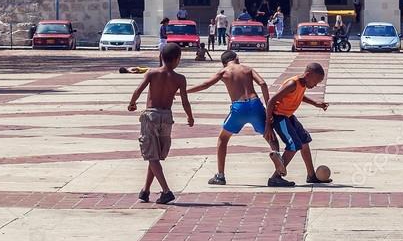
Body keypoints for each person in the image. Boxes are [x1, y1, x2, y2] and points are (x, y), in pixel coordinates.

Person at [187, 50, 285, 185]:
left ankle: (220, 176)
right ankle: (276, 171)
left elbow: (205, 85)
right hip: (255, 105)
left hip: (239, 108)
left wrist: (183, 92)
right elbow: (262, 84)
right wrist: (268, 104)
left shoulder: (224, 72)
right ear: (237, 58)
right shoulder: (248, 69)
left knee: (223, 138)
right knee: (271, 137)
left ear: (224, 64)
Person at [127, 41, 193, 205]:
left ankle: (166, 191)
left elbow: (139, 89)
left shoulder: (152, 73)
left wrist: (132, 103)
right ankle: (146, 191)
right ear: (178, 59)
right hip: (166, 117)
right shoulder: (180, 78)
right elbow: (185, 101)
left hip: (151, 115)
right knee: (155, 155)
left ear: (160, 56)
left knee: (151, 155)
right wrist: (189, 116)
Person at [264, 61, 331, 187]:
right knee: (294, 145)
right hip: (280, 117)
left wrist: (316, 104)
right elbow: (272, 101)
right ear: (308, 75)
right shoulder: (292, 83)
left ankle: (311, 176)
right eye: (315, 81)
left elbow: (300, 96)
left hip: (289, 116)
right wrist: (268, 125)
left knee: (304, 140)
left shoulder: (302, 83)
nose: (316, 85)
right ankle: (275, 177)